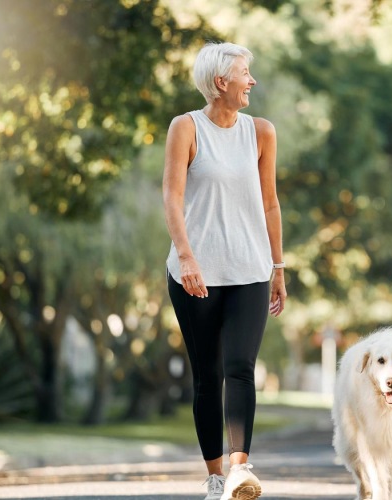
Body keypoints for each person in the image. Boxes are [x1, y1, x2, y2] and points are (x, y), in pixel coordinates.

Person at [163, 41, 286, 500]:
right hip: (195, 275)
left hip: (250, 269)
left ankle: (239, 470)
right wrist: (187, 256)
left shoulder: (261, 132)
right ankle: (216, 477)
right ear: (221, 82)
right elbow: (172, 197)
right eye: (244, 73)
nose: (251, 81)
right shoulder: (186, 128)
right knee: (207, 375)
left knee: (240, 367)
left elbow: (271, 203)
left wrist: (278, 266)